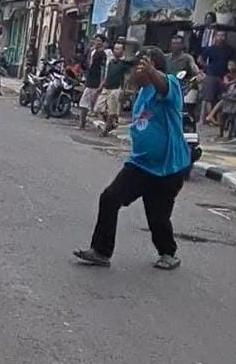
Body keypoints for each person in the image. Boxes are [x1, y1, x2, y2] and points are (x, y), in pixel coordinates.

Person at [74, 46, 191, 270]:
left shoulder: (169, 84)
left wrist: (152, 72)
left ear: (150, 67)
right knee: (110, 198)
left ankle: (168, 253)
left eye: (137, 67)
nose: (131, 74)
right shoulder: (142, 91)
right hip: (140, 164)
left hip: (167, 167)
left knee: (157, 217)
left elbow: (164, 85)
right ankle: (101, 251)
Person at [198, 29, 236, 125]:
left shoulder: (230, 50)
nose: (221, 38)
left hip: (224, 76)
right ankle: (211, 118)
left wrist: (230, 73)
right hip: (211, 75)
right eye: (219, 35)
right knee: (208, 97)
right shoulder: (211, 48)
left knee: (221, 98)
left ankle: (214, 117)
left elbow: (233, 63)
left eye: (223, 35)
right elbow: (200, 59)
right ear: (215, 37)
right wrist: (207, 67)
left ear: (226, 37)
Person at [97, 39, 130, 136]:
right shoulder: (111, 62)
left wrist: (124, 91)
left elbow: (127, 78)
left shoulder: (124, 63)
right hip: (106, 87)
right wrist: (101, 86)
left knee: (112, 111)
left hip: (116, 88)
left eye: (119, 49)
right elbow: (107, 76)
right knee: (99, 108)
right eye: (115, 49)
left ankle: (105, 130)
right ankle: (111, 123)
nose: (116, 51)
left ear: (122, 51)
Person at [79, 35, 108, 130]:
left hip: (96, 82)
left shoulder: (102, 54)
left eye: (99, 41)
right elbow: (86, 64)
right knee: (84, 104)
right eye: (96, 40)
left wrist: (101, 84)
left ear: (102, 43)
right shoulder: (91, 51)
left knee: (97, 107)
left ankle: (106, 125)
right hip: (89, 80)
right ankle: (82, 125)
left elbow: (103, 69)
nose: (97, 42)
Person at [218, 68, 236, 139]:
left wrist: (230, 98)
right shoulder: (231, 86)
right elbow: (226, 92)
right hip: (227, 105)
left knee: (231, 120)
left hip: (234, 106)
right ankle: (221, 134)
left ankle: (229, 135)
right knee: (222, 118)